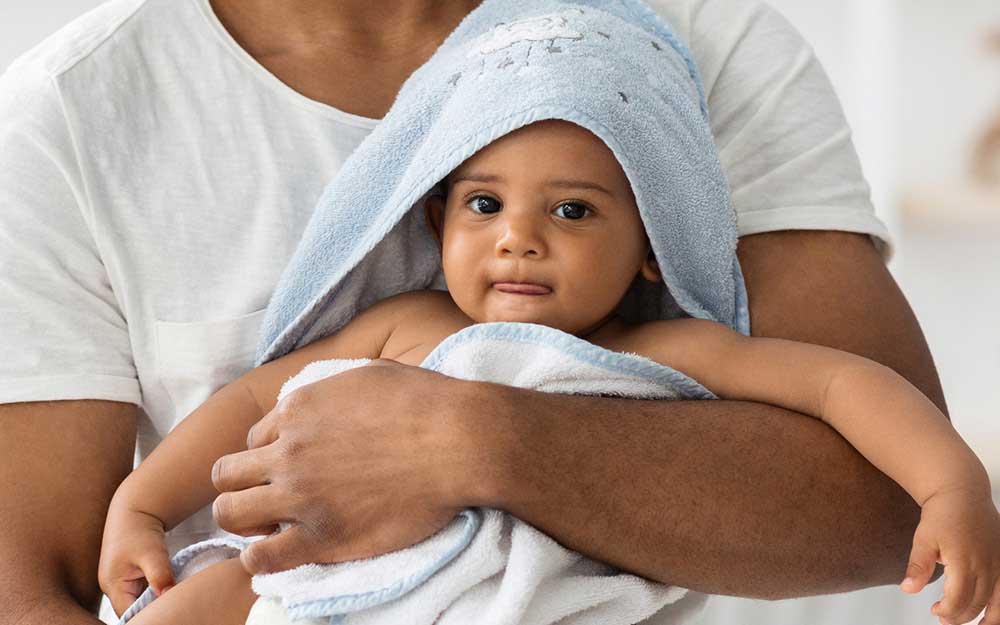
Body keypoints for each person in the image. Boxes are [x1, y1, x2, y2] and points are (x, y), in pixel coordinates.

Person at [0, 0, 956, 624]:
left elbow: (853, 408)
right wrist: (143, 504)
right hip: (333, 583)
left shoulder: (667, 336)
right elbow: (253, 395)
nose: (519, 240)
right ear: (434, 211)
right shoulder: (410, 325)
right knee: (220, 591)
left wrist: (468, 440)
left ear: (656, 239)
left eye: (574, 210)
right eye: (484, 205)